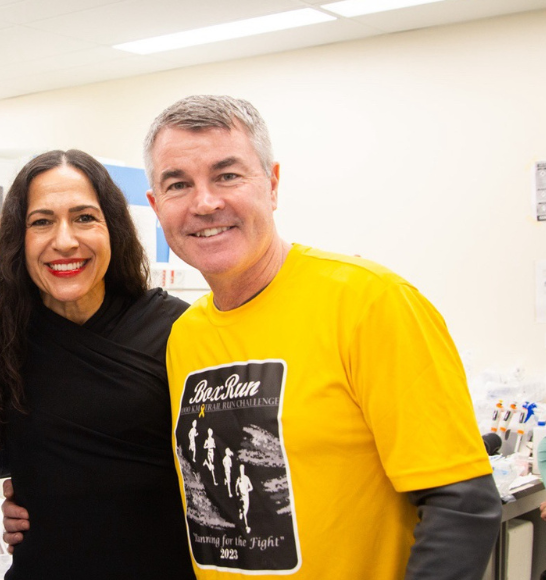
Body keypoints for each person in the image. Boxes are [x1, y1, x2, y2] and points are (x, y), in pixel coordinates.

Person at [142, 95, 502, 579]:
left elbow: (461, 503)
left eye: (227, 175)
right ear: (156, 205)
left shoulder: (369, 302)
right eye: (178, 184)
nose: (205, 202)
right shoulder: (185, 335)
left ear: (271, 185)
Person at [0, 149, 195, 580]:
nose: (64, 240)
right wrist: (36, 481)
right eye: (42, 221)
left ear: (113, 230)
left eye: (84, 217)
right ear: (18, 238)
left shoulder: (176, 329)